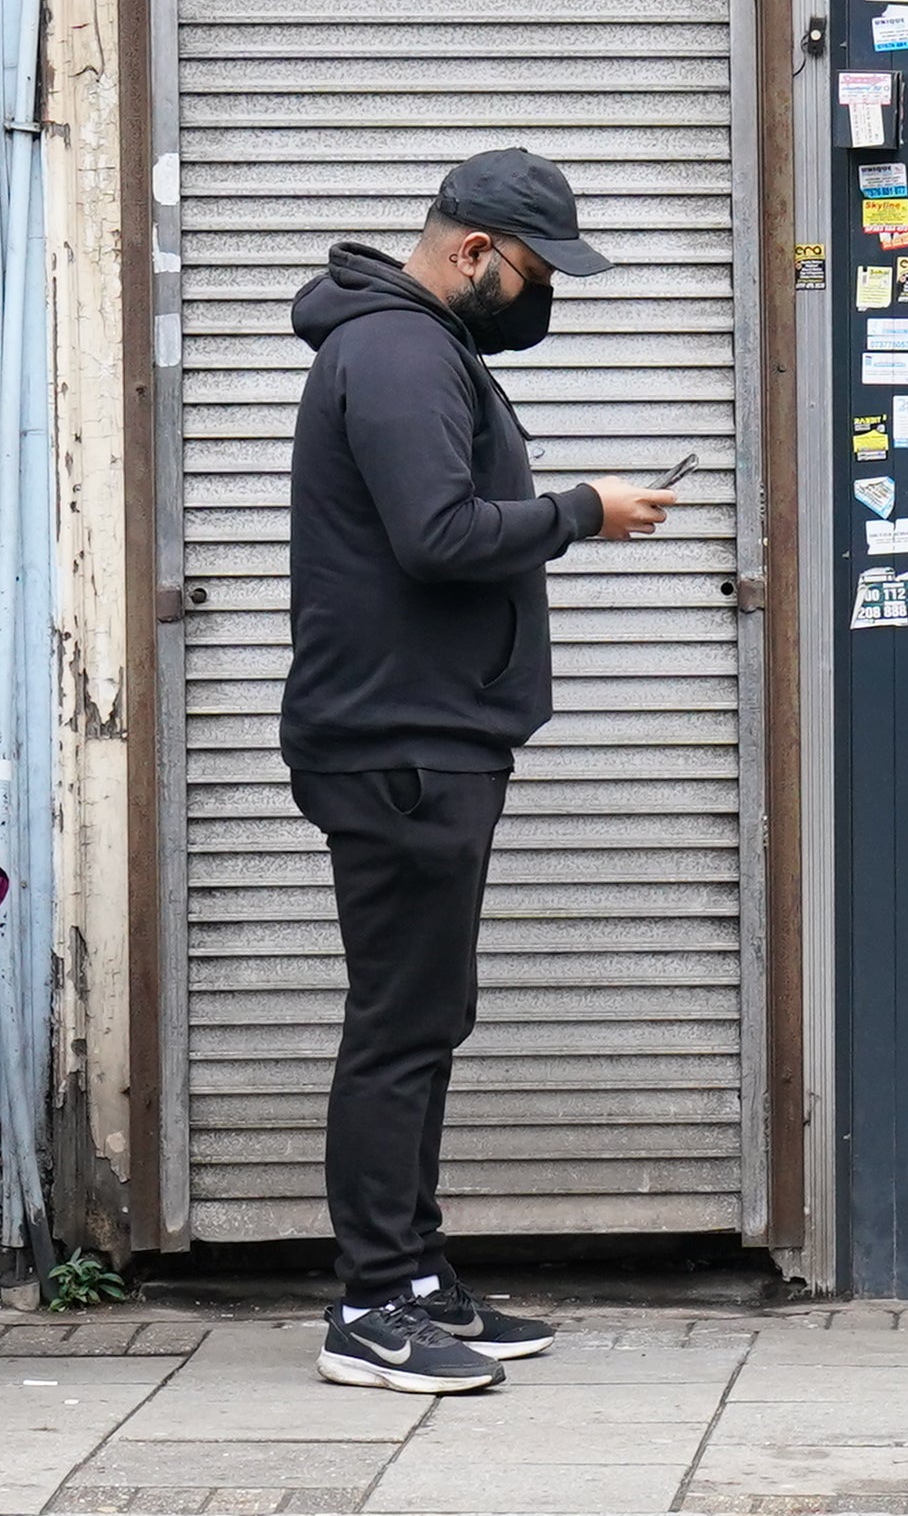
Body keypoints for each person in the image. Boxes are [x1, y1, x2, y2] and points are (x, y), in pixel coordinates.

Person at [284, 148, 674, 1398]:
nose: (541, 293)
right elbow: (438, 533)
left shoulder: (412, 346)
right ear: (471, 254)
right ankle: (370, 1303)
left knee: (427, 1017)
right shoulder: (396, 352)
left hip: (427, 732)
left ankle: (412, 1273)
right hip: (400, 740)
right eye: (535, 269)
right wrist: (582, 509)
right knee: (400, 1026)